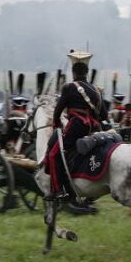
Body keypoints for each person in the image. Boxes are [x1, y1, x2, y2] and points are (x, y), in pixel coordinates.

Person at [44, 50, 106, 200]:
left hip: (76, 125)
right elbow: (103, 115)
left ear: (73, 72)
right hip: (92, 127)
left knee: (53, 154)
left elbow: (58, 111)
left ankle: (57, 190)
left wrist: (57, 124)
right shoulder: (95, 90)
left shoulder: (69, 87)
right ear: (87, 72)